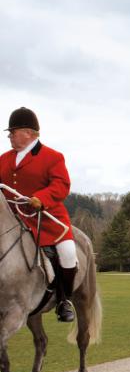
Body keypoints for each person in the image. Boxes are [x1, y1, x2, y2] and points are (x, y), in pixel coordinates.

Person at [0, 107, 76, 322]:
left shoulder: (52, 157)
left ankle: (64, 300)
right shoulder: (3, 159)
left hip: (47, 219)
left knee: (68, 253)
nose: (9, 136)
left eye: (13, 132)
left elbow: (61, 185)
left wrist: (41, 198)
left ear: (28, 133)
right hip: (13, 219)